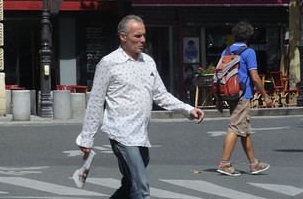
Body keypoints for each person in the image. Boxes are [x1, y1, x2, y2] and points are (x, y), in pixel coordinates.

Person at [77, 15, 206, 199]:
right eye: (137, 36)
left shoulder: (148, 62)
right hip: (121, 134)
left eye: (144, 35)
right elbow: (96, 102)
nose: (143, 40)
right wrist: (87, 139)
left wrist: (188, 109)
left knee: (130, 183)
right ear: (123, 36)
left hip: (141, 135)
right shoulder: (108, 63)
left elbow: (160, 95)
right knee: (141, 187)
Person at [215, 21, 270, 175]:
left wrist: (219, 97)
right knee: (235, 127)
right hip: (242, 94)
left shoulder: (226, 51)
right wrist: (265, 95)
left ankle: (254, 164)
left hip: (229, 93)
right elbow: (254, 77)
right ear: (249, 36)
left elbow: (219, 75)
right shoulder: (249, 52)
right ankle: (224, 163)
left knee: (243, 129)